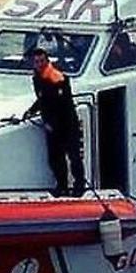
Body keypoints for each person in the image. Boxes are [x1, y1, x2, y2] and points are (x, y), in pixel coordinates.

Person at [21, 47, 86, 196]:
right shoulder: (38, 77)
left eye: (42, 61)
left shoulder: (57, 78)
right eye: (36, 61)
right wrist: (31, 111)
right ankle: (62, 185)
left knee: (74, 156)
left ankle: (79, 186)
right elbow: (42, 99)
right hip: (51, 125)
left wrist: (52, 123)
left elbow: (61, 104)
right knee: (55, 158)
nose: (39, 64)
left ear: (47, 61)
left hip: (67, 123)